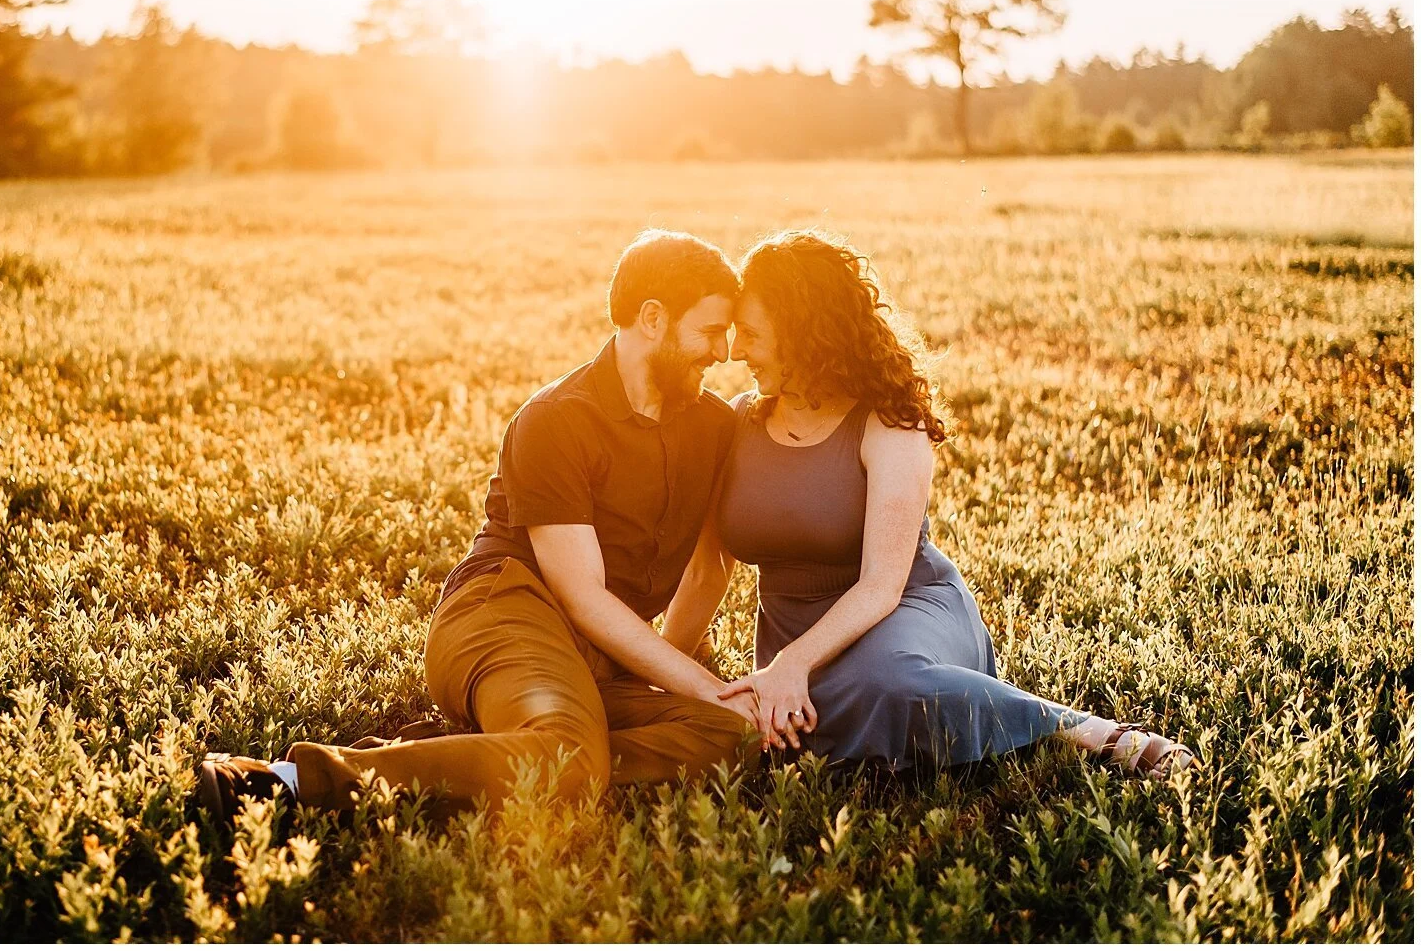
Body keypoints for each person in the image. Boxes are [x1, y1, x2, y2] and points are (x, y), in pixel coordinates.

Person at [198, 230, 761, 825]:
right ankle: (285, 782)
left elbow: (709, 568)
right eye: (709, 331)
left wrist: (673, 687)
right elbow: (584, 597)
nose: (723, 352)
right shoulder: (555, 421)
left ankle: (471, 757)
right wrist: (699, 683)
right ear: (653, 319)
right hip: (504, 612)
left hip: (595, 656)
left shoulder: (714, 426)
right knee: (572, 754)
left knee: (730, 734)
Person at [666, 229, 1196, 778]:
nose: (737, 352)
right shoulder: (736, 421)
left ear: (803, 334)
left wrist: (791, 664)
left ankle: (1079, 730)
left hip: (905, 612)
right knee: (787, 718)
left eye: (751, 335)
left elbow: (881, 584)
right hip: (792, 636)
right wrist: (655, 673)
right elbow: (708, 571)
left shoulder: (890, 421)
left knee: (885, 682)